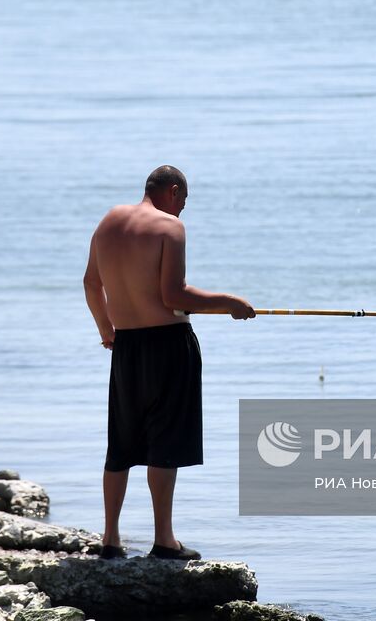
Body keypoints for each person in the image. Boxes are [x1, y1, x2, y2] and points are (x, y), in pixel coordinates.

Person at [83, 165, 255, 561]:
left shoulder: (109, 221)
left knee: (121, 443)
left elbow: (92, 283)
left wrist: (106, 329)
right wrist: (229, 302)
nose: (182, 212)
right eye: (184, 202)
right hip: (167, 344)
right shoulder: (169, 228)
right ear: (173, 192)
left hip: (126, 346)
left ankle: (110, 539)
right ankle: (164, 540)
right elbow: (172, 294)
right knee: (165, 442)